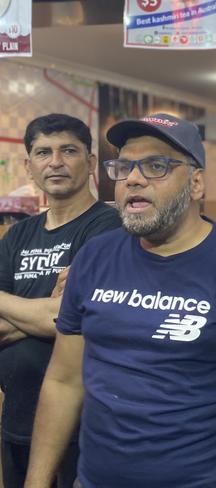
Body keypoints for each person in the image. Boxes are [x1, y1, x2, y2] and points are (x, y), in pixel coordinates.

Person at [24, 113, 216, 488]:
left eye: (156, 165)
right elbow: (63, 380)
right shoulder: (94, 258)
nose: (133, 179)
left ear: (197, 183)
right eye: (123, 167)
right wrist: (36, 482)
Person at [0, 114, 122, 488]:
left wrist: (46, 311)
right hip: (18, 416)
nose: (55, 161)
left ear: (89, 162)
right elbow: (56, 314)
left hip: (85, 421)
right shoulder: (18, 235)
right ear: (29, 166)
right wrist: (48, 310)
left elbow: (68, 318)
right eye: (43, 152)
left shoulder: (109, 229)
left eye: (68, 150)